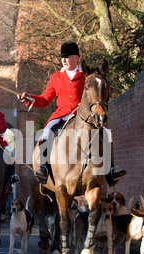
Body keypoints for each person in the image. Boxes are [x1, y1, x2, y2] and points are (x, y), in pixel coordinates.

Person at [18, 40, 126, 186]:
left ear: (76, 58)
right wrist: (30, 98)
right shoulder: (55, 77)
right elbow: (44, 99)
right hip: (60, 115)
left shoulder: (86, 76)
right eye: (62, 57)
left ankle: (111, 170)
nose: (64, 60)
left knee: (106, 133)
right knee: (46, 133)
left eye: (67, 57)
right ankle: (43, 167)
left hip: (82, 116)